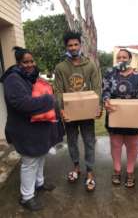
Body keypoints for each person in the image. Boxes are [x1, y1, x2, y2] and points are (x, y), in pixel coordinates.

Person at [0, 46, 59, 211]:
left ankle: (39, 184)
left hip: (36, 128)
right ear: (18, 63)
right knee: (29, 162)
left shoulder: (29, 77)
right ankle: (26, 197)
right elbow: (21, 103)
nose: (29, 64)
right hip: (23, 129)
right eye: (25, 62)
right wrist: (49, 100)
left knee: (40, 156)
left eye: (31, 61)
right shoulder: (13, 79)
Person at [54, 31, 102, 191]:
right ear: (66, 47)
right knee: (72, 142)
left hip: (86, 112)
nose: (73, 48)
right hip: (70, 113)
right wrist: (61, 109)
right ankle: (76, 167)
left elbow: (96, 87)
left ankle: (89, 172)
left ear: (80, 45)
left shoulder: (90, 65)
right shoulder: (60, 67)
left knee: (89, 141)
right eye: (70, 45)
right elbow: (58, 90)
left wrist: (97, 106)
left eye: (76, 44)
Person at [102, 49, 138, 188]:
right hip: (115, 115)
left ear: (130, 59)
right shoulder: (110, 73)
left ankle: (130, 172)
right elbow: (105, 90)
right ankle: (117, 170)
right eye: (119, 57)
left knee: (132, 146)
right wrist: (106, 100)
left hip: (133, 118)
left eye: (124, 57)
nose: (121, 59)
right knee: (116, 145)